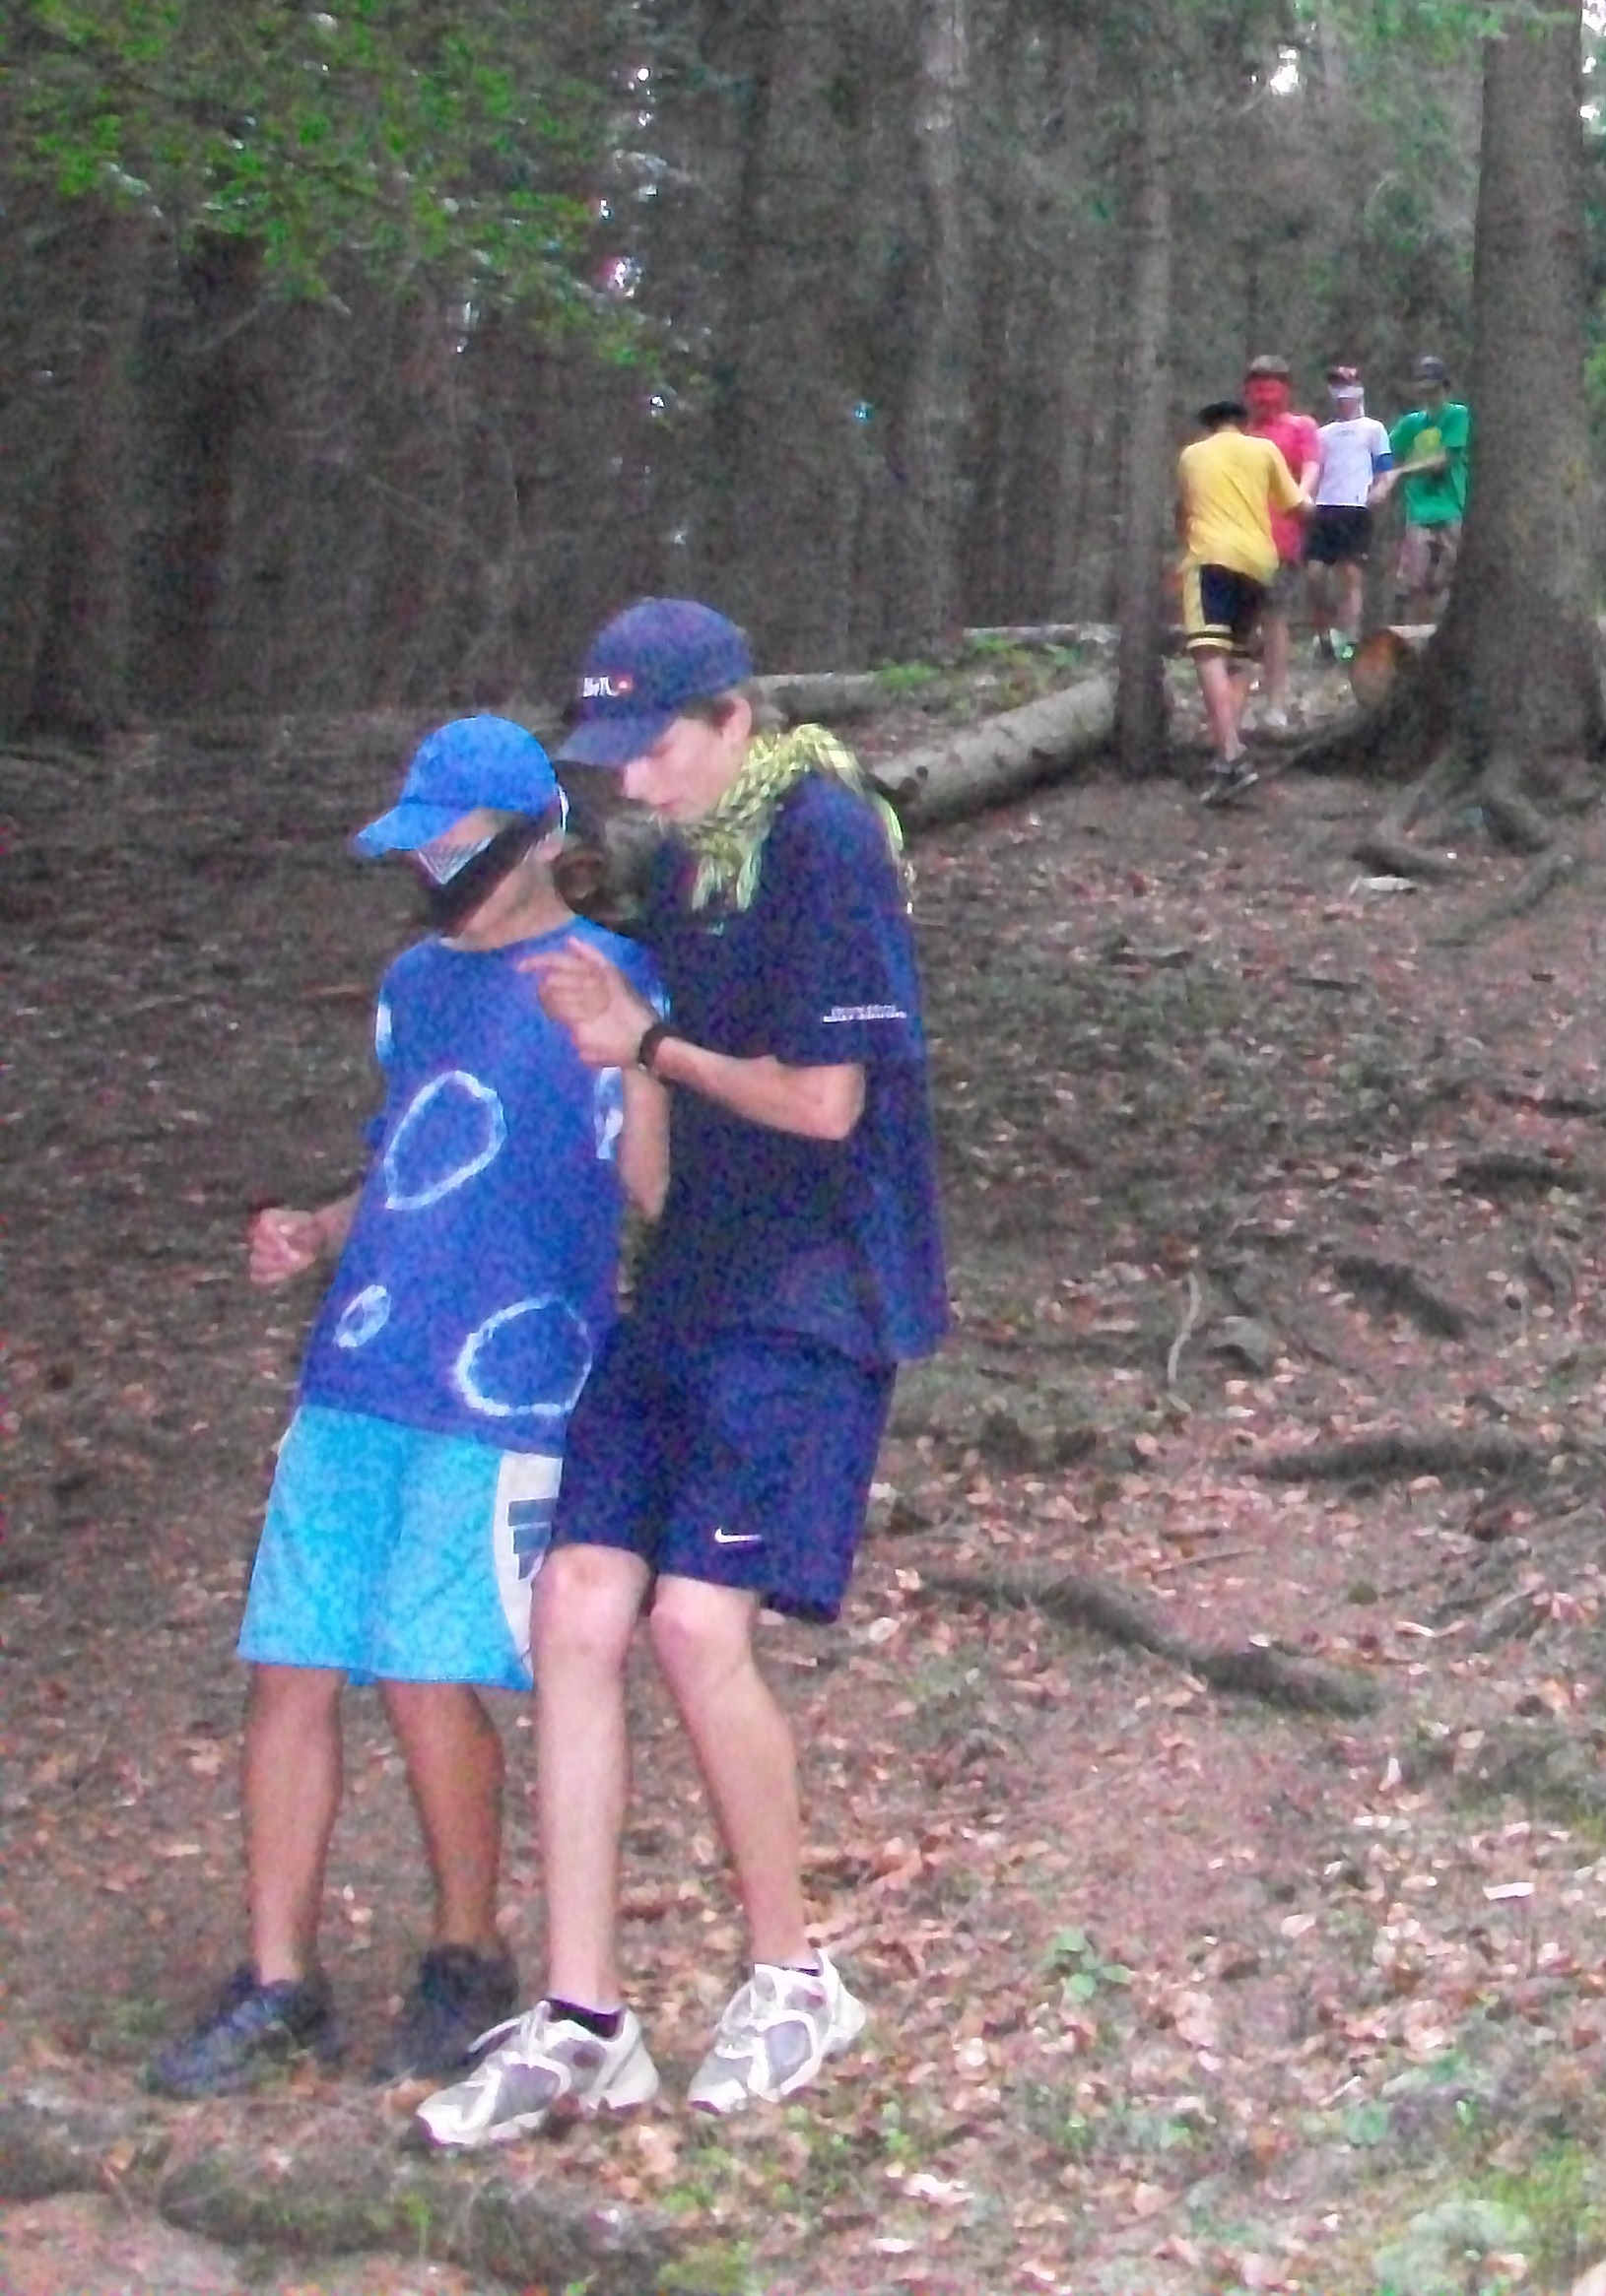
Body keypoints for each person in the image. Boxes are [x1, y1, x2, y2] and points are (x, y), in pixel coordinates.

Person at [416, 598, 948, 2145]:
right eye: (615, 759)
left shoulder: (823, 836)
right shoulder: (693, 862)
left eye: (654, 750)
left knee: (695, 1621)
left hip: (814, 1286)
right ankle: (584, 2016)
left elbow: (829, 1101)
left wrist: (648, 1045)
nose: (633, 784)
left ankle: (795, 1976)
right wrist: (618, 1041)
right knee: (576, 1604)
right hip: (693, 1278)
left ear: (731, 717)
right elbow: (657, 1169)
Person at [148, 717, 667, 2098]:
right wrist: (318, 1232)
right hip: (360, 1367)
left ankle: (465, 1953)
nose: (437, 874)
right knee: (293, 1661)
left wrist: (640, 1055)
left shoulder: (610, 975)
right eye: (419, 850)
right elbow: (406, 1156)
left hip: (507, 1385)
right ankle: (279, 1980)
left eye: (457, 845)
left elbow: (659, 1190)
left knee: (430, 1670)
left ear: (534, 839)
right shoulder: (414, 984)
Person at [1174, 399, 1309, 807]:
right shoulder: (1264, 450)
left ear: (1209, 427)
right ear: (1242, 424)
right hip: (1258, 564)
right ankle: (1226, 755)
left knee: (1208, 654)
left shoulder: (1192, 456)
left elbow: (1184, 512)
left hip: (1210, 558)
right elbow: (1300, 507)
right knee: (1238, 660)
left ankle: (1232, 756)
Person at [1240, 354, 1322, 733]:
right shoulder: (1241, 433)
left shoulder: (1301, 427)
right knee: (1241, 623)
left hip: (1281, 537)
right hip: (1240, 538)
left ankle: (1275, 704)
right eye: (1258, 386)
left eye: (1272, 385)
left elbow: (1311, 467)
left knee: (1274, 619)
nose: (1264, 395)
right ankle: (1237, 706)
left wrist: (1301, 496)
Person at [1305, 365, 1394, 662]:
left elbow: (1385, 468)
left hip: (1355, 508)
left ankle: (1349, 639)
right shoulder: (1323, 434)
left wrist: (1380, 490)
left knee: (1350, 575)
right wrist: (1306, 497)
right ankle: (1323, 635)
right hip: (1324, 508)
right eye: (1337, 392)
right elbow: (1315, 470)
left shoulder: (1373, 429)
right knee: (1315, 575)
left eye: (1347, 391)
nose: (1342, 398)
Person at [1385, 354, 1471, 624]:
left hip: (1452, 508)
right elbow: (1385, 451)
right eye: (1423, 391)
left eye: (1433, 390)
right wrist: (1382, 478)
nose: (1428, 397)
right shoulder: (1411, 424)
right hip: (1419, 512)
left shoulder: (1457, 415)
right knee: (1415, 581)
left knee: (1445, 578)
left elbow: (1444, 460)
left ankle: (1441, 632)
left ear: (1445, 387)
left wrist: (1401, 472)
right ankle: (1417, 635)